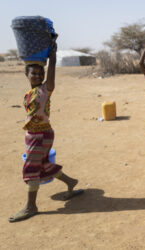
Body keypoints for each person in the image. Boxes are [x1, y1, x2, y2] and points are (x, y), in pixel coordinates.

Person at [9, 41, 83, 223]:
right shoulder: (30, 92)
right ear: (26, 74)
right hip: (35, 134)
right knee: (43, 165)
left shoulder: (45, 89)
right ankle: (70, 182)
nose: (37, 75)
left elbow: (51, 77)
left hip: (40, 135)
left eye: (40, 73)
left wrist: (52, 55)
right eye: (33, 73)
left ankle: (31, 206)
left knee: (31, 169)